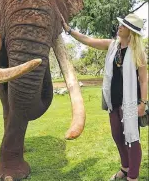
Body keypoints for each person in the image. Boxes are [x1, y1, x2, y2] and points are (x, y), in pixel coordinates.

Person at [62, 13, 148, 181]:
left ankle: (133, 176)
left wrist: (143, 103)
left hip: (130, 103)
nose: (120, 27)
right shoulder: (112, 46)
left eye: (124, 26)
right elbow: (88, 40)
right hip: (113, 101)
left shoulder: (138, 53)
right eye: (121, 24)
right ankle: (125, 167)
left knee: (132, 138)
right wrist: (69, 30)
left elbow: (144, 80)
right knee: (117, 135)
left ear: (130, 31)